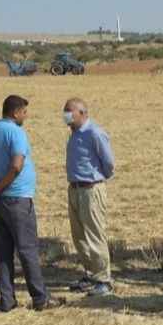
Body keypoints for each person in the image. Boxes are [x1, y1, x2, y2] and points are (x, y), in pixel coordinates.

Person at [0, 95, 64, 312]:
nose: (26, 116)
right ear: (15, 113)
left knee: (3, 250)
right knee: (27, 249)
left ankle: (7, 300)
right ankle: (40, 298)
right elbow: (16, 166)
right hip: (16, 199)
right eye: (24, 112)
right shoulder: (16, 133)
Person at [62, 97, 116, 297]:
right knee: (80, 237)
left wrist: (98, 180)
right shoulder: (74, 134)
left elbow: (109, 163)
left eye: (69, 111)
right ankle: (90, 274)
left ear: (83, 113)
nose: (66, 115)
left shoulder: (95, 133)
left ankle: (104, 279)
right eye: (65, 111)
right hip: (75, 189)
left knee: (95, 235)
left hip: (91, 190)